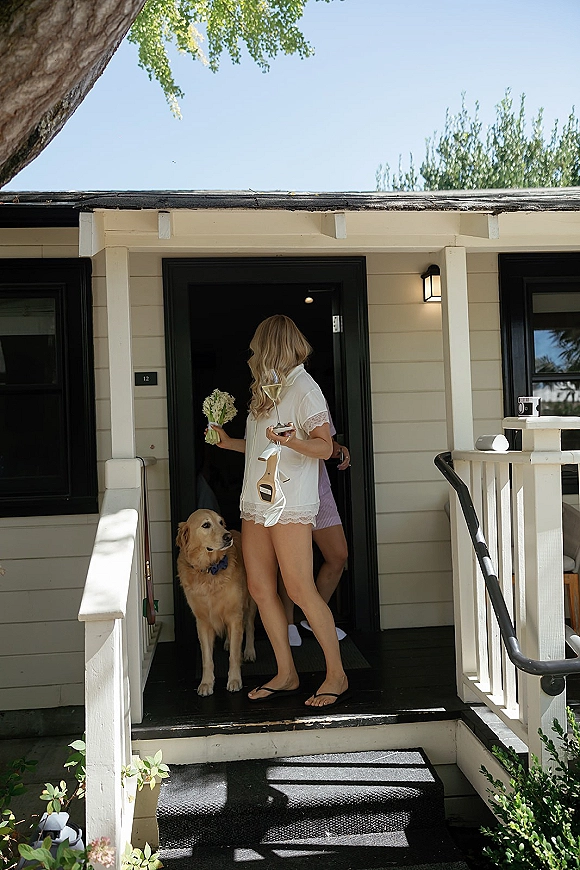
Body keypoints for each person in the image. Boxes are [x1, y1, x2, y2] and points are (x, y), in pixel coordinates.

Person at [211, 314, 349, 709]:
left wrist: (292, 443)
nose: (252, 352)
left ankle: (336, 675)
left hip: (289, 503)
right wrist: (228, 443)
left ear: (271, 346)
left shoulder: (305, 388)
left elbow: (325, 447)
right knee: (259, 587)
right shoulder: (267, 389)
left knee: (299, 588)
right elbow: (260, 445)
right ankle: (287, 673)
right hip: (257, 501)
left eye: (257, 345)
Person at [280, 435, 350, 647]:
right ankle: (288, 623)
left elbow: (325, 442)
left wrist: (339, 449)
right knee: (289, 560)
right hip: (286, 489)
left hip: (318, 489)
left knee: (338, 555)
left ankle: (313, 618)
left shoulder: (317, 402)